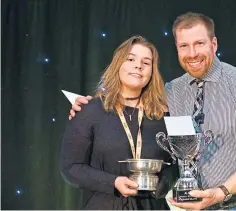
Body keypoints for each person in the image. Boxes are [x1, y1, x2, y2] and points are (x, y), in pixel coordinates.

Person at [69, 12, 236, 210]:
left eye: (199, 43)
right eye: (184, 46)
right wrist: (88, 105)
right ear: (177, 48)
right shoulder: (170, 92)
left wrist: (221, 192)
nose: (192, 54)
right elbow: (128, 102)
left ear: (214, 44)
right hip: (195, 206)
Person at [60, 35, 179, 210]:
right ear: (118, 64)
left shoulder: (163, 115)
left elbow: (178, 162)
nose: (138, 65)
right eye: (131, 59)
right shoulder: (89, 111)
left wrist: (166, 181)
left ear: (152, 72)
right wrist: (113, 182)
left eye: (146, 63)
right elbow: (70, 167)